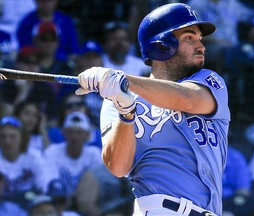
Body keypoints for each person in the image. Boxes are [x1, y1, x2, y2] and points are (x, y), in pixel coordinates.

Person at [75, 3, 230, 216]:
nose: (201, 46)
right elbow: (118, 167)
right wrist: (126, 112)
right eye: (189, 38)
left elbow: (187, 99)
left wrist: (124, 81)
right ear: (162, 45)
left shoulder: (209, 82)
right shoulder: (117, 99)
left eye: (200, 39)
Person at [43, 111, 103, 210]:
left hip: (86, 203)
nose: (75, 136)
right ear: (63, 132)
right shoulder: (52, 151)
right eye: (71, 132)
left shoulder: (94, 154)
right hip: (58, 203)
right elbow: (49, 182)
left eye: (79, 132)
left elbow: (98, 185)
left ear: (87, 135)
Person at [0, 116, 49, 210]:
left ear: (22, 138)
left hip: (31, 204)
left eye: (12, 136)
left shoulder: (34, 156)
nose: (7, 141)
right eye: (3, 137)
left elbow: (43, 186)